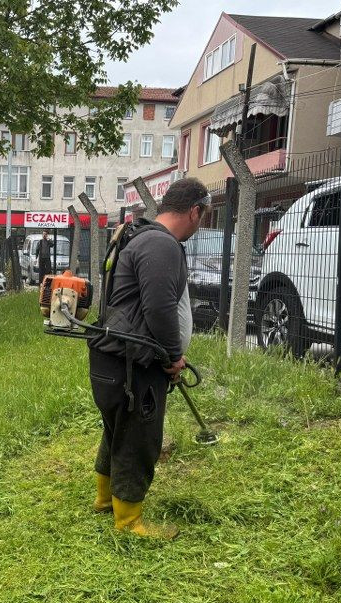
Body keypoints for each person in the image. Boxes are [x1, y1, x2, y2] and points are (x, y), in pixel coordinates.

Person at [87, 177, 210, 539]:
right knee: (139, 438)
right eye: (202, 217)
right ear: (193, 211)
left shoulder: (137, 237)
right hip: (133, 363)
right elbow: (160, 310)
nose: (200, 223)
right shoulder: (161, 245)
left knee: (117, 432)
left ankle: (104, 500)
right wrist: (173, 357)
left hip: (111, 358)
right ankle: (129, 522)